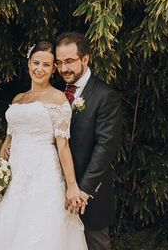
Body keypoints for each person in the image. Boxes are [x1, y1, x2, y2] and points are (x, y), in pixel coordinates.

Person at [0, 41, 88, 250]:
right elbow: (10, 140)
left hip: (43, 176)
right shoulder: (18, 99)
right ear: (28, 64)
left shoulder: (58, 99)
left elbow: (63, 146)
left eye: (46, 65)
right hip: (15, 176)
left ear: (53, 69)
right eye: (36, 63)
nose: (39, 69)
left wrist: (72, 186)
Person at [55, 31, 122, 250]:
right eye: (59, 63)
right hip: (55, 187)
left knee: (96, 244)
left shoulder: (104, 96)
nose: (63, 68)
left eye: (69, 61)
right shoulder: (55, 94)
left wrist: (83, 190)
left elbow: (106, 147)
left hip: (90, 193)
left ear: (85, 59)